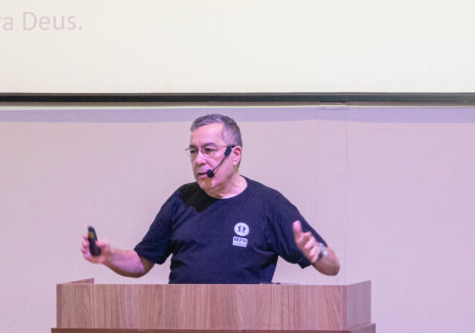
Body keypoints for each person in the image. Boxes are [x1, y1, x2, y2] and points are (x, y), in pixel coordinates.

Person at [80, 114, 340, 283]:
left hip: (247, 332)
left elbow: (332, 267)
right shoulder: (181, 199)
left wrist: (317, 253)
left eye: (208, 150)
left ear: (235, 155)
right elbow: (141, 262)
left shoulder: (268, 204)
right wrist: (109, 256)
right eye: (193, 151)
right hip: (183, 327)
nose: (199, 160)